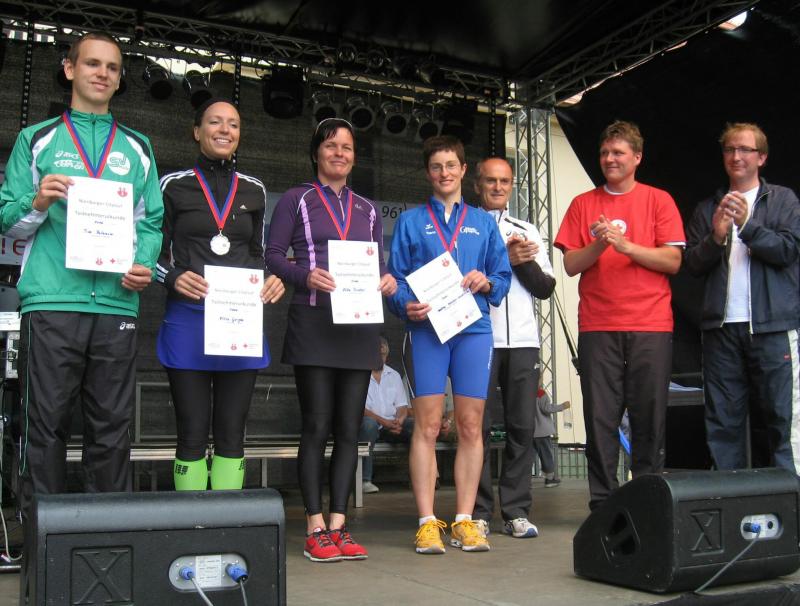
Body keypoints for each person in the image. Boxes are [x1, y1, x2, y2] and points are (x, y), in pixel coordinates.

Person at [0, 32, 163, 514]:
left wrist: (143, 264)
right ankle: (42, 541)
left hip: (116, 304)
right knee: (44, 426)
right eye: (92, 63)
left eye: (112, 67)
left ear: (119, 78)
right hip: (52, 301)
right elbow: (6, 217)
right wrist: (38, 201)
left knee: (111, 429)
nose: (102, 73)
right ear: (70, 69)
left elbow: (149, 222)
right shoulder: (37, 139)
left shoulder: (137, 147)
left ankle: (107, 539)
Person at [265, 118, 397, 562]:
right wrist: (305, 275)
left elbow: (378, 264)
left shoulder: (369, 209)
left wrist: (386, 280)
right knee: (317, 426)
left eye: (347, 146)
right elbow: (272, 256)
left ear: (354, 156)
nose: (339, 153)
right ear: (316, 152)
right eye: (331, 145)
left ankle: (339, 525)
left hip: (359, 326)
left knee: (348, 430)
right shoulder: (296, 199)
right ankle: (314, 527)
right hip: (314, 321)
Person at [388, 135, 511, 554]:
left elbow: (502, 277)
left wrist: (486, 281)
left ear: (463, 170)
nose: (445, 173)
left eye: (451, 165)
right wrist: (406, 304)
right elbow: (396, 279)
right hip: (427, 331)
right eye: (437, 166)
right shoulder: (410, 221)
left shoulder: (483, 222)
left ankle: (464, 521)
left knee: (471, 426)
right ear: (428, 172)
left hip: (473, 330)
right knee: (425, 425)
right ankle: (427, 523)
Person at [554, 120, 685, 511]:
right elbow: (571, 265)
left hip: (650, 324)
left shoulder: (658, 200)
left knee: (649, 417)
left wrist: (626, 245)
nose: (609, 159)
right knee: (600, 418)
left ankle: (647, 500)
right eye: (604, 153)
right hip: (599, 324)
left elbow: (673, 260)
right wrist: (600, 243)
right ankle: (603, 503)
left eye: (618, 153)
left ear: (637, 157)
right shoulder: (583, 203)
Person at [156, 98, 285, 492]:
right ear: (197, 131)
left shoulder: (255, 189)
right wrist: (172, 277)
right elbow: (150, 253)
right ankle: (191, 520)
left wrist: (270, 279)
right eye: (215, 122)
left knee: (232, 430)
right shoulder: (173, 185)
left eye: (233, 124)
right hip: (188, 320)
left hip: (238, 321)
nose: (225, 130)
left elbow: (258, 255)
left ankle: (227, 518)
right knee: (191, 430)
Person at [684, 123, 800, 472]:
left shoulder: (782, 199)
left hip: (772, 326)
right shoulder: (708, 208)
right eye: (730, 149)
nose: (736, 156)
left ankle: (790, 495)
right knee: (723, 422)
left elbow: (788, 250)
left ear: (761, 157)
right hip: (721, 330)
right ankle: (730, 496)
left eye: (745, 149)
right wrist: (716, 237)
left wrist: (748, 226)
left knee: (783, 418)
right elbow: (692, 264)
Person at [471, 157, 556, 539]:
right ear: (477, 185)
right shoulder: (465, 227)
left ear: (512, 186)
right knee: (477, 426)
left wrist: (522, 262)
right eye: (490, 181)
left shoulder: (527, 229)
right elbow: (457, 277)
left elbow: (546, 287)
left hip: (522, 340)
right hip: (477, 338)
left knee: (523, 426)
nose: (498, 187)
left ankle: (517, 511)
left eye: (504, 181)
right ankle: (477, 511)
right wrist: (506, 258)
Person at [358, 336, 413, 494]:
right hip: (370, 424)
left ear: (387, 355)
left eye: (382, 354)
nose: (379, 358)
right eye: (375, 354)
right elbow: (359, 408)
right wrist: (384, 422)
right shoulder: (359, 375)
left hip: (392, 424)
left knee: (415, 426)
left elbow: (402, 406)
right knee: (368, 425)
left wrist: (400, 420)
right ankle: (365, 480)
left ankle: (417, 476)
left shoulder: (394, 375)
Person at [533, 385, 570, 488]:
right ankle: (549, 479)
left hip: (529, 432)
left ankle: (524, 481)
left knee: (528, 457)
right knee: (546, 455)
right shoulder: (540, 393)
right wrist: (562, 406)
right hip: (542, 432)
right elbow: (547, 408)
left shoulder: (524, 392)